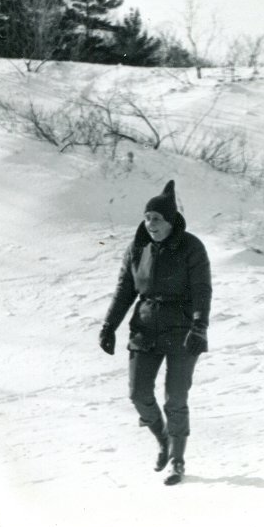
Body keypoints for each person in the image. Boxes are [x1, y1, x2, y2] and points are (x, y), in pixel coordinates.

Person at [98, 180, 212, 485]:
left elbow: (202, 290)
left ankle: (177, 459)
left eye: (157, 218)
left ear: (170, 220)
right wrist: (109, 326)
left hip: (183, 330)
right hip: (146, 328)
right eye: (147, 218)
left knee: (175, 398)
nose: (151, 224)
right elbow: (125, 290)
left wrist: (200, 326)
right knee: (138, 393)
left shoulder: (191, 247)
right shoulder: (137, 248)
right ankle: (163, 440)